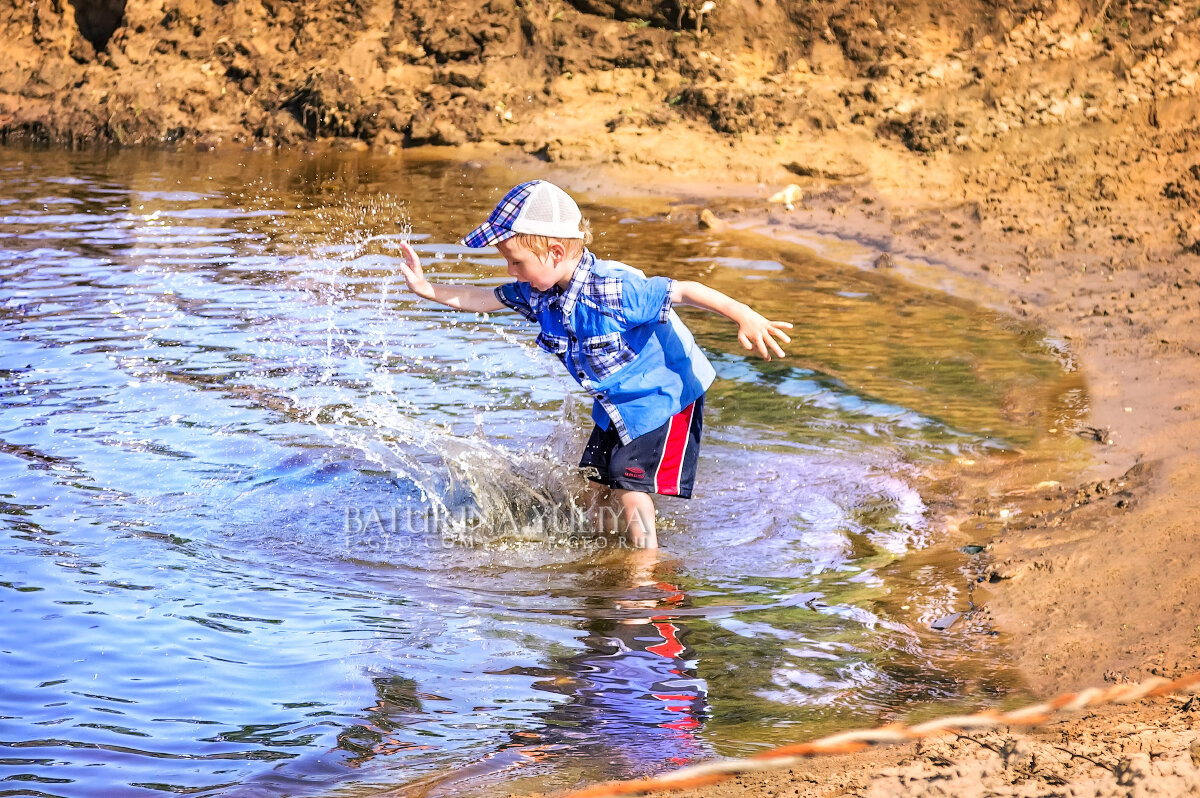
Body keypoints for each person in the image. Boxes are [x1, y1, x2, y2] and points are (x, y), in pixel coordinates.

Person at [397, 180, 791, 549]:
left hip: (665, 396)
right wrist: (425, 289)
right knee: (592, 486)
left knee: (630, 487)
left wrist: (744, 316)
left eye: (515, 262)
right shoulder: (540, 292)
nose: (510, 272)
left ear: (554, 253)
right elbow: (481, 299)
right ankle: (603, 551)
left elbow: (685, 290)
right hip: (616, 404)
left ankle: (646, 570)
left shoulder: (613, 288)